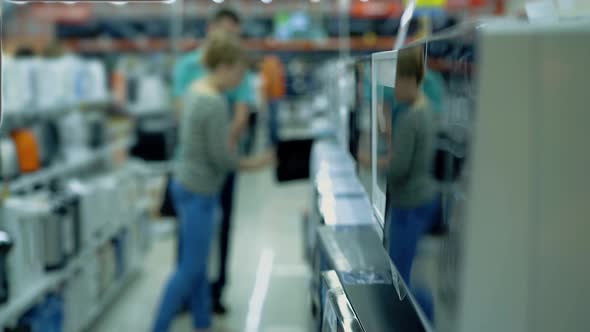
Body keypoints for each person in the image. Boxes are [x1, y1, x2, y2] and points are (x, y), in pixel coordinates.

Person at [152, 32, 274, 332]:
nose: (241, 81)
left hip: (185, 184)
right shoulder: (214, 102)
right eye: (240, 73)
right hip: (199, 192)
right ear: (226, 67)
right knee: (190, 269)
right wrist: (258, 163)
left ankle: (202, 322)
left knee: (197, 267)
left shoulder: (196, 89)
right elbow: (222, 159)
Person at [170, 7, 254, 314]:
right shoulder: (187, 66)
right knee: (190, 232)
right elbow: (183, 114)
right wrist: (215, 144)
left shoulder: (236, 67)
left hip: (223, 158)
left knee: (221, 227)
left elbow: (242, 111)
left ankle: (214, 293)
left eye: (234, 33)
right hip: (193, 164)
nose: (228, 38)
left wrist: (224, 145)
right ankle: (184, 294)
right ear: (210, 29)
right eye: (223, 31)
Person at [386, 47, 440, 320]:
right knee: (404, 270)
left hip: (409, 203)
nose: (391, 88)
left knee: (399, 276)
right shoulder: (426, 107)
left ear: (408, 79)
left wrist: (373, 163)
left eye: (394, 81)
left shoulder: (410, 118)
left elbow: (398, 170)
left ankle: (427, 318)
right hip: (424, 199)